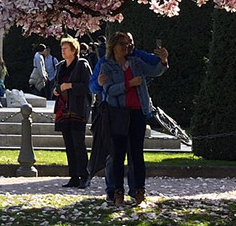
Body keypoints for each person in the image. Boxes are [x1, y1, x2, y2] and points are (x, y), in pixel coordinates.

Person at [92, 29, 164, 208]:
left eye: (128, 44)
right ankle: (117, 192)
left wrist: (163, 60)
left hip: (138, 112)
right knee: (117, 155)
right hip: (118, 113)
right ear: (113, 46)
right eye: (122, 44)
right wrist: (128, 84)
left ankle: (139, 191)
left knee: (137, 154)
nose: (126, 47)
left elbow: (154, 70)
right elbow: (108, 89)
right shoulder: (107, 66)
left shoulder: (136, 62)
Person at [52, 35, 92, 188]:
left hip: (77, 109)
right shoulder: (60, 66)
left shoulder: (82, 65)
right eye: (62, 48)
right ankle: (73, 176)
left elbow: (88, 87)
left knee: (78, 143)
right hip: (63, 110)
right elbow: (55, 85)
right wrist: (57, 90)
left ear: (74, 50)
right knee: (69, 144)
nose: (63, 51)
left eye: (66, 48)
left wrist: (70, 86)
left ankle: (84, 175)